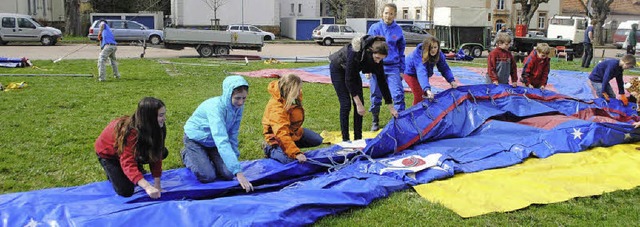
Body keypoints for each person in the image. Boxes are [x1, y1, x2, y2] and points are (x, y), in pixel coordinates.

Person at [181, 75, 253, 192]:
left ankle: (206, 156)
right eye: (237, 98)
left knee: (229, 174)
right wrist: (239, 173)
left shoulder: (238, 108)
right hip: (196, 140)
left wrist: (234, 163)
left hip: (213, 142)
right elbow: (222, 139)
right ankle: (186, 154)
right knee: (208, 176)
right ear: (228, 94)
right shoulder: (215, 108)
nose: (241, 102)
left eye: (244, 98)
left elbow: (233, 135)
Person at [95, 97, 168, 198]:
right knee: (126, 191)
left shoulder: (159, 126)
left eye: (164, 114)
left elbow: (156, 153)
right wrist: (147, 187)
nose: (164, 118)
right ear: (149, 117)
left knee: (163, 152)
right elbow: (128, 162)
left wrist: (157, 185)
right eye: (161, 115)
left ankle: (136, 165)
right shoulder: (130, 132)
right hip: (109, 155)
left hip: (133, 149)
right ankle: (113, 171)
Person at [329, 35, 399, 142]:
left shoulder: (377, 61)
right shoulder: (355, 52)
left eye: (381, 59)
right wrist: (357, 103)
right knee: (346, 104)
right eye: (377, 58)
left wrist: (390, 106)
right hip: (338, 68)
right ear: (370, 51)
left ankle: (358, 138)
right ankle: (346, 139)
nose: (378, 61)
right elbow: (349, 80)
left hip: (353, 72)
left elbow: (382, 82)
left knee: (360, 105)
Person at [262, 74, 324, 163]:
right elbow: (281, 133)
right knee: (290, 161)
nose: (300, 91)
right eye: (298, 89)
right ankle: (270, 149)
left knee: (317, 140)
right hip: (276, 138)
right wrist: (296, 153)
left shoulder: (290, 97)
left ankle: (290, 146)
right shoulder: (276, 109)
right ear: (290, 91)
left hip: (293, 132)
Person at [367, 3, 406, 131]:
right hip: (376, 66)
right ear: (382, 14)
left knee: (398, 94)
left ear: (395, 15)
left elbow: (401, 51)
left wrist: (401, 69)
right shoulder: (374, 28)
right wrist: (368, 68)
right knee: (375, 94)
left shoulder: (398, 30)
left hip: (393, 67)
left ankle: (399, 121)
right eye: (386, 13)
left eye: (391, 13)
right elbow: (367, 48)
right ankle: (375, 120)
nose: (388, 16)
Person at [403, 36, 458, 105]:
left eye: (435, 47)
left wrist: (451, 81)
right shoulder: (418, 54)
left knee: (426, 95)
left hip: (423, 73)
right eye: (431, 48)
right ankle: (415, 114)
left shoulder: (439, 54)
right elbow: (421, 72)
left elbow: (445, 68)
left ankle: (425, 112)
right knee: (420, 95)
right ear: (426, 48)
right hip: (410, 73)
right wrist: (427, 89)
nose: (433, 50)